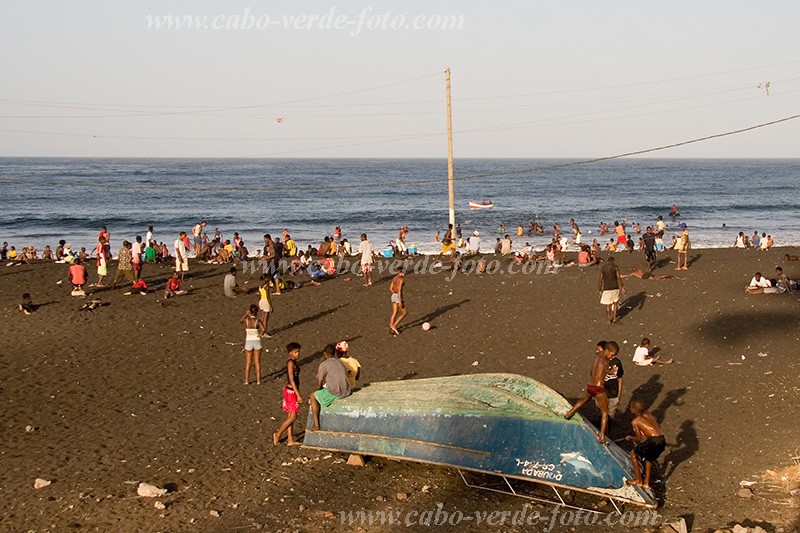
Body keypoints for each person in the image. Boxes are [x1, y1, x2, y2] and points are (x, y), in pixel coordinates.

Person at [564, 341, 620, 444]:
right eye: (612, 354)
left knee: (585, 398)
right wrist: (611, 372)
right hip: (598, 389)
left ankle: (570, 412)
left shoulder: (597, 355)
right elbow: (605, 370)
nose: (612, 357)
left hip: (590, 385)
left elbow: (595, 369)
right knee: (605, 412)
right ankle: (602, 436)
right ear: (607, 351)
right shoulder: (606, 361)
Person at [625, 400, 667, 488]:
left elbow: (639, 438)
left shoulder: (635, 421)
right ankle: (646, 483)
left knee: (633, 454)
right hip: (661, 438)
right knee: (649, 458)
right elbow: (655, 427)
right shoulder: (648, 414)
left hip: (653, 441)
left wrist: (631, 437)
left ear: (633, 410)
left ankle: (638, 480)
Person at [309, 344, 351, 431]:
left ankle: (316, 424)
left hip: (337, 392)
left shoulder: (324, 364)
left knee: (313, 396)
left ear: (325, 354)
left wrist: (319, 388)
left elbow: (319, 381)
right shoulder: (339, 362)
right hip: (347, 390)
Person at [274, 342, 303, 446]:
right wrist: (298, 394)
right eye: (295, 352)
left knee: (290, 415)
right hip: (291, 391)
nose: (297, 354)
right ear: (290, 352)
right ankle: (278, 434)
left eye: (298, 352)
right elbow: (291, 379)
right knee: (293, 416)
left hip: (292, 390)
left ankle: (290, 439)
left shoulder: (294, 362)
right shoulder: (290, 363)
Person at [240, 304, 263, 385]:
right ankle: (258, 380)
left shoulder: (246, 320)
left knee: (248, 362)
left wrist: (246, 314)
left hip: (249, 341)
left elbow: (240, 321)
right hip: (257, 340)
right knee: (257, 362)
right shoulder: (258, 321)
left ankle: (246, 380)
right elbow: (263, 329)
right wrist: (260, 334)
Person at [599, 256, 625, 324]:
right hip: (615, 286)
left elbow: (600, 279)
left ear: (608, 261)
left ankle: (608, 319)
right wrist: (623, 287)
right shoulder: (615, 267)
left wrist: (599, 290)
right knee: (615, 303)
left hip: (606, 288)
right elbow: (619, 278)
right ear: (613, 261)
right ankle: (614, 318)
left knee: (608, 305)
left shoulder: (603, 268)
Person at [602, 344, 624, 419]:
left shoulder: (617, 363)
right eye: (612, 355)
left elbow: (620, 378)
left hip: (613, 394)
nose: (613, 357)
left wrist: (618, 396)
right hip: (602, 393)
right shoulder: (601, 361)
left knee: (610, 415)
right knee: (601, 412)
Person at [389, 271, 407, 336]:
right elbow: (399, 290)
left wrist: (394, 293)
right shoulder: (401, 279)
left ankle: (391, 329)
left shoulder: (394, 278)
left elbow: (390, 288)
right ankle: (394, 326)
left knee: (394, 313)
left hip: (393, 295)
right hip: (398, 297)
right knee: (404, 313)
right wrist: (400, 301)